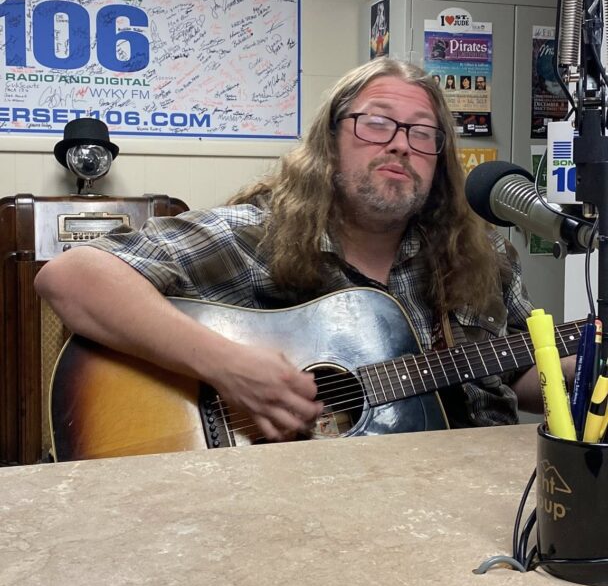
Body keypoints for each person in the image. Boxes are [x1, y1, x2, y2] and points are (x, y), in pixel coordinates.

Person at [36, 58, 573, 441]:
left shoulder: (484, 255)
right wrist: (227, 367)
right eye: (377, 123)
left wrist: (587, 358)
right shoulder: (257, 237)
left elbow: (517, 378)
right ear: (331, 142)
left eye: (422, 133)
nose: (400, 144)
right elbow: (72, 277)